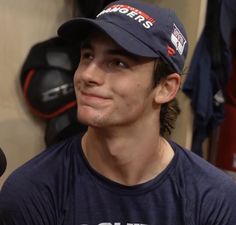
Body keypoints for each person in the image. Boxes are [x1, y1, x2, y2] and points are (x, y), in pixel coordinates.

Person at [0, 0, 236, 224]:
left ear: (165, 87)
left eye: (118, 63)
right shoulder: (31, 191)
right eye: (87, 56)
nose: (87, 75)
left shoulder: (215, 200)